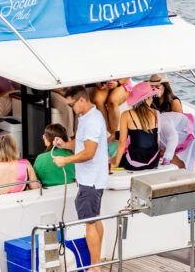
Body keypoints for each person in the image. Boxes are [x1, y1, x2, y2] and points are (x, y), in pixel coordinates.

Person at [53, 86, 109, 271]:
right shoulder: (88, 116)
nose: (71, 108)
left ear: (82, 100)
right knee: (95, 219)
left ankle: (94, 268)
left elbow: (89, 153)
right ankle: (97, 263)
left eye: (72, 105)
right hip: (94, 179)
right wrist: (65, 144)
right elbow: (81, 144)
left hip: (90, 181)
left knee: (89, 224)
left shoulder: (91, 121)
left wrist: (65, 160)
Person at [113, 82, 161, 171]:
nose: (152, 100)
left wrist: (116, 163)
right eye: (151, 97)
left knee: (112, 159)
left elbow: (122, 142)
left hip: (133, 162)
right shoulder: (156, 113)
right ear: (146, 98)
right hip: (153, 162)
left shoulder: (126, 114)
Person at [33, 123, 76, 188]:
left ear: (50, 139)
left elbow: (35, 181)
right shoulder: (73, 156)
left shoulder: (40, 158)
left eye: (45, 135)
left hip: (49, 194)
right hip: (71, 191)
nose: (43, 137)